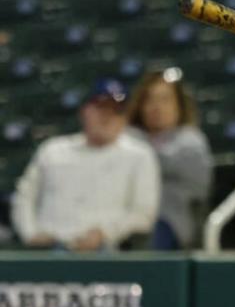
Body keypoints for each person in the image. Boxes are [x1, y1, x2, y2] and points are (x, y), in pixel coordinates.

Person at [12, 78, 160, 251]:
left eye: (116, 111)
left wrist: (105, 232)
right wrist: (31, 233)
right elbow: (24, 196)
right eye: (101, 107)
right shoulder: (53, 150)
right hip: (48, 248)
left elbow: (143, 214)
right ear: (84, 111)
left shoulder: (139, 155)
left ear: (124, 119)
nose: (107, 116)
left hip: (105, 252)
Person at [127, 68, 212, 250]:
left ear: (179, 105)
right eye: (150, 100)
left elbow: (200, 188)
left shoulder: (191, 140)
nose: (157, 107)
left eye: (165, 99)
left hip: (169, 219)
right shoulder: (130, 137)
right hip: (124, 214)